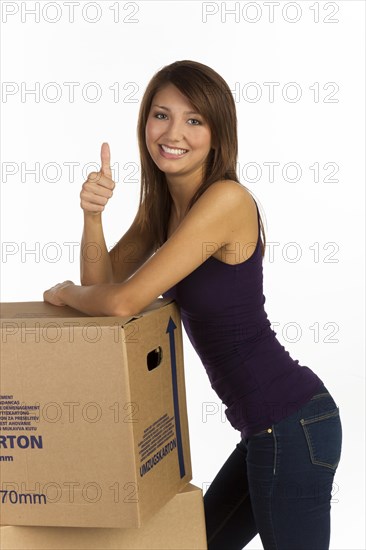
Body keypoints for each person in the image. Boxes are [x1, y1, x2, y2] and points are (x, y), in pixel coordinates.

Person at [43, 60, 342, 549]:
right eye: (161, 115)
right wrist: (92, 216)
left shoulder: (226, 200)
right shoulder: (163, 211)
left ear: (217, 134)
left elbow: (116, 302)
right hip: (265, 430)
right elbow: (102, 294)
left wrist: (65, 294)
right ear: (145, 125)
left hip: (293, 424)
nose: (173, 132)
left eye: (194, 120)